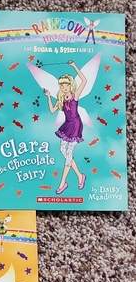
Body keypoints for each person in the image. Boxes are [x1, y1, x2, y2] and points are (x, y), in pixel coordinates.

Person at [43, 60, 87, 194]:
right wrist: (48, 97)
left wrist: (74, 66)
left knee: (69, 154)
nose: (64, 87)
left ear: (70, 85)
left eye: (66, 84)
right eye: (62, 85)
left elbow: (84, 80)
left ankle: (62, 183)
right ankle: (80, 176)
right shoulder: (61, 98)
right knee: (63, 150)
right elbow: (52, 110)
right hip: (67, 125)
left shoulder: (75, 96)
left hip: (76, 125)